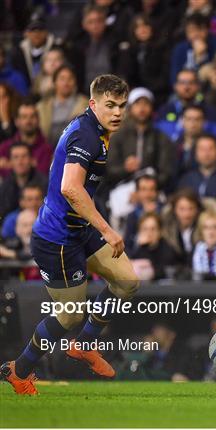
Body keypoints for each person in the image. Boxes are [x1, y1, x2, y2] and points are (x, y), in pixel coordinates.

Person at [0, 74, 140, 395]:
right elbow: (70, 188)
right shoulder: (88, 138)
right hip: (58, 239)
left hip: (80, 230)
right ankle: (19, 371)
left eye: (122, 105)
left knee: (127, 281)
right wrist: (107, 228)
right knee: (70, 316)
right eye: (110, 105)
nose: (118, 112)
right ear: (93, 104)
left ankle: (85, 345)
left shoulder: (95, 128)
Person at [36, 65, 88, 147]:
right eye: (62, 79)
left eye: (70, 79)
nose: (66, 83)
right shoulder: (42, 107)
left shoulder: (85, 105)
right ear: (54, 82)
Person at [0, 101, 53, 178]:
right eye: (24, 117)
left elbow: (43, 176)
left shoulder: (47, 149)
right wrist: (30, 165)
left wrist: (10, 164)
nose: (28, 121)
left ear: (38, 120)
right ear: (17, 121)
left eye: (32, 116)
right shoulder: (4, 147)